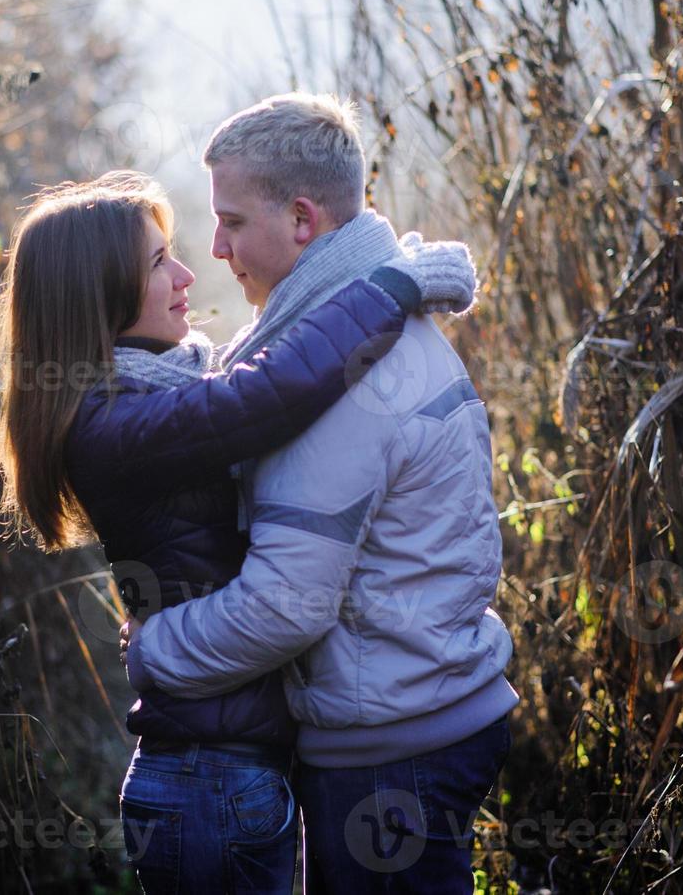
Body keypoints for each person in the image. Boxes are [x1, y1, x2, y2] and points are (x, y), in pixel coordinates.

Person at [0, 169, 477, 895]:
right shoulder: (113, 425)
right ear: (98, 292)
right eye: (157, 263)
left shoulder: (153, 393)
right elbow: (267, 393)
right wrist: (388, 289)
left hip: (227, 775)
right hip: (205, 781)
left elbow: (250, 386)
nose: (187, 273)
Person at [120, 93, 519, 895]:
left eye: (231, 221)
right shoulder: (355, 330)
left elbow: (284, 607)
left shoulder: (344, 384)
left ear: (301, 220)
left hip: (389, 754)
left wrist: (151, 649)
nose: (217, 247)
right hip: (419, 719)